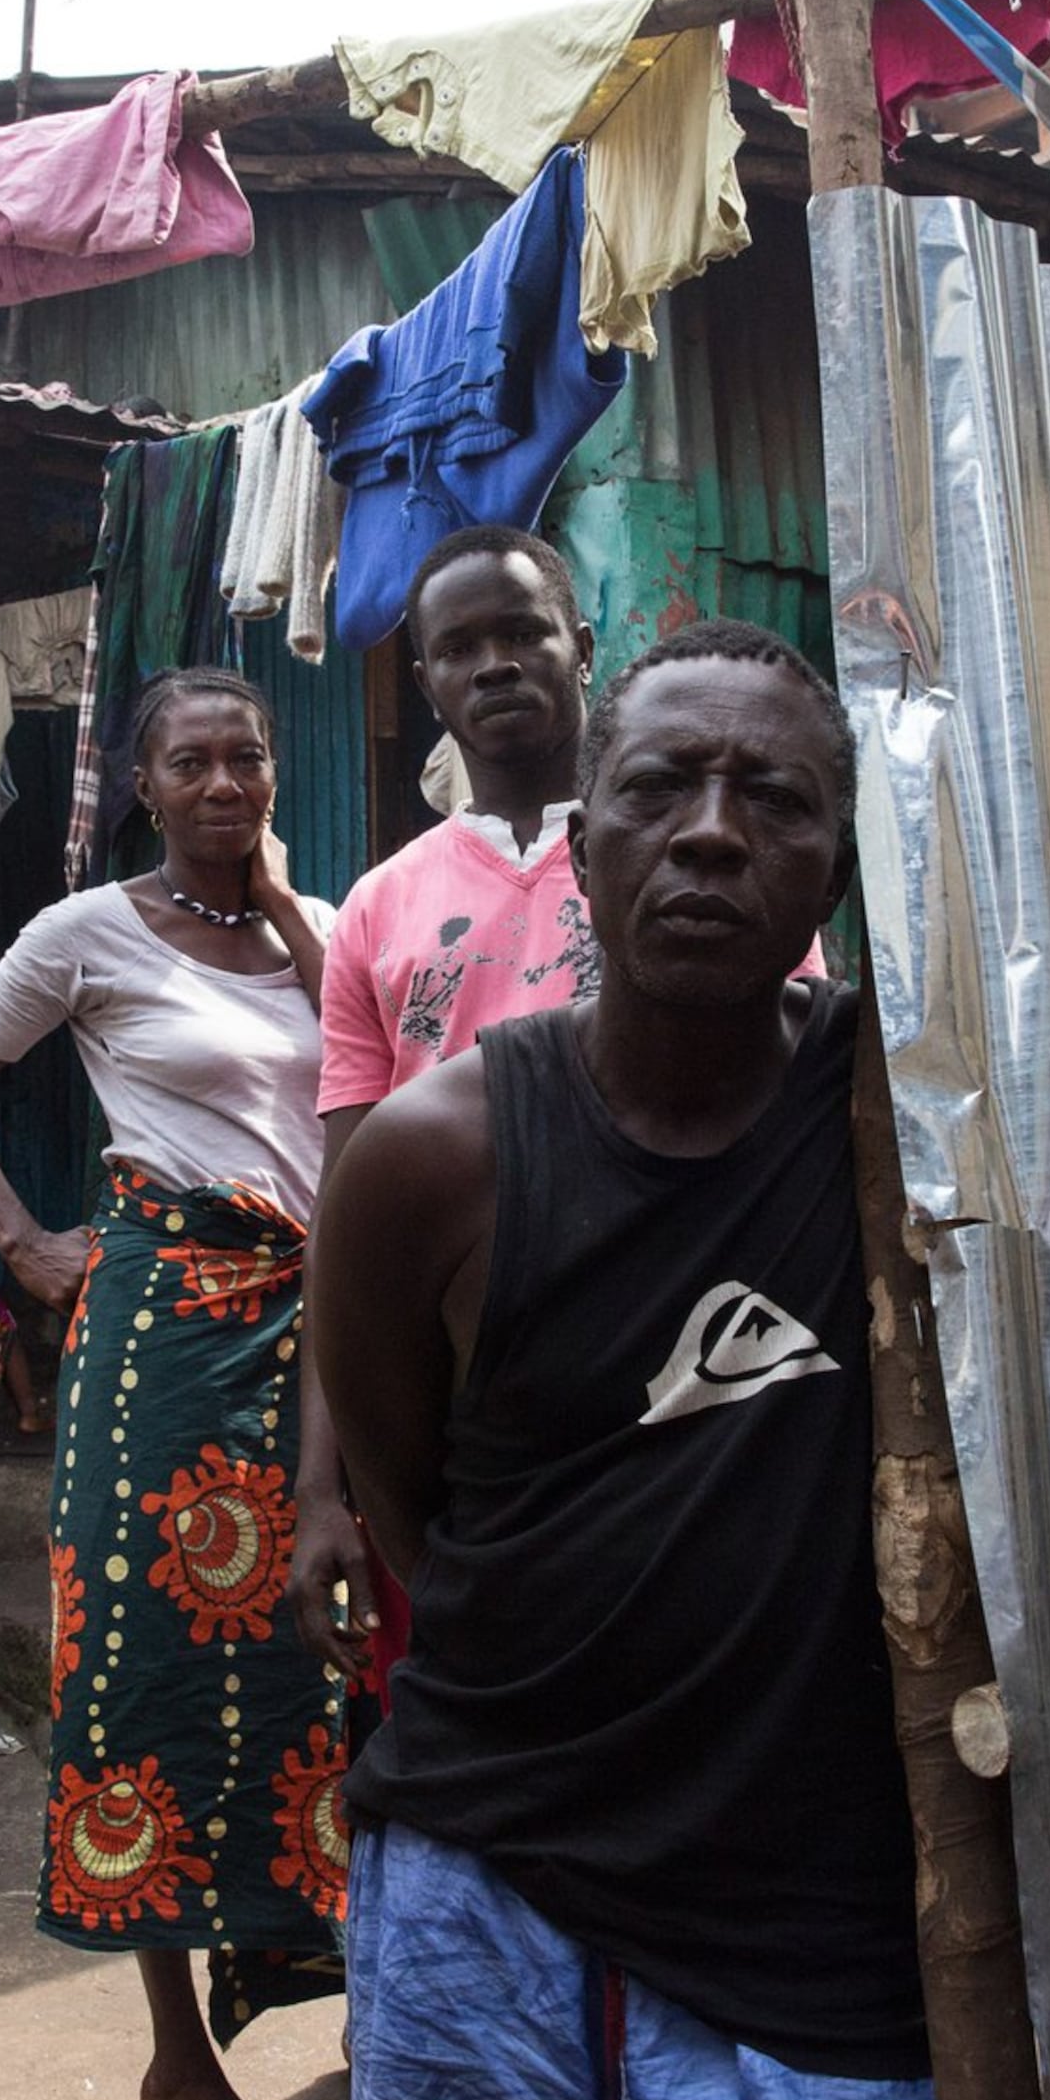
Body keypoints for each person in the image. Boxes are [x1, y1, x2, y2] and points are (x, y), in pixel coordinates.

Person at [307, 620, 937, 2100]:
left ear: (839, 873)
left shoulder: (900, 1127)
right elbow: (409, 1501)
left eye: (775, 801)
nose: (715, 831)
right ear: (587, 849)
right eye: (664, 786)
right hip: (490, 1875)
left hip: (815, 1904)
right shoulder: (433, 1157)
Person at [0, 667, 349, 2100]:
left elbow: (373, 1075)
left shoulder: (330, 925)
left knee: (333, 1652)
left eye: (247, 757)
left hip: (327, 1326)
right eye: (193, 761)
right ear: (143, 783)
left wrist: (293, 910)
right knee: (149, 1669)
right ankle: (178, 2056)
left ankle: (329, 1963)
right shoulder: (83, 932)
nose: (225, 781)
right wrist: (25, 1239)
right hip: (164, 1336)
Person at [293, 528, 826, 1681]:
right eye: (457, 646)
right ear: (425, 679)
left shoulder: (704, 862)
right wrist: (319, 1487)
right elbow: (347, 1225)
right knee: (474, 1670)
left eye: (522, 631)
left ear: (580, 647)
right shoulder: (380, 911)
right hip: (476, 1375)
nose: (494, 664)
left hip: (697, 1350)